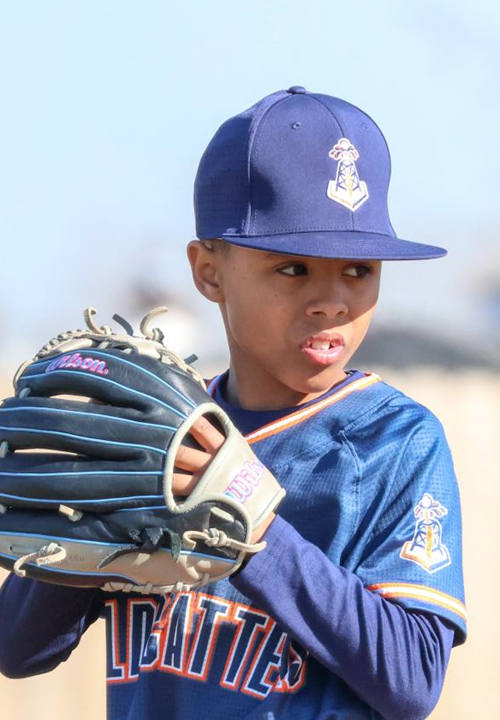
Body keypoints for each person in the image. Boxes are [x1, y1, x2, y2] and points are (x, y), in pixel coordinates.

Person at [0, 86, 466, 720]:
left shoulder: (394, 440)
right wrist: (90, 512)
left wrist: (253, 525)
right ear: (209, 272)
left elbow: (412, 680)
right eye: (293, 268)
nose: (331, 301)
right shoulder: (154, 440)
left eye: (358, 270)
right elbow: (18, 649)